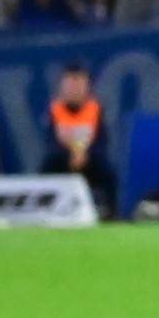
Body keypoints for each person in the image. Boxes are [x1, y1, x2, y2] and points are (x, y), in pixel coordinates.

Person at [40, 63, 116, 219]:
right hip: (63, 159)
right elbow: (51, 141)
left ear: (87, 86)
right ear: (62, 86)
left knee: (109, 174)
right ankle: (42, 212)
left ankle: (110, 214)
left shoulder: (95, 109)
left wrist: (85, 154)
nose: (74, 89)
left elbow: (101, 140)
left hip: (89, 158)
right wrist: (70, 154)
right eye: (70, 84)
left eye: (79, 84)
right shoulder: (55, 109)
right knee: (47, 166)